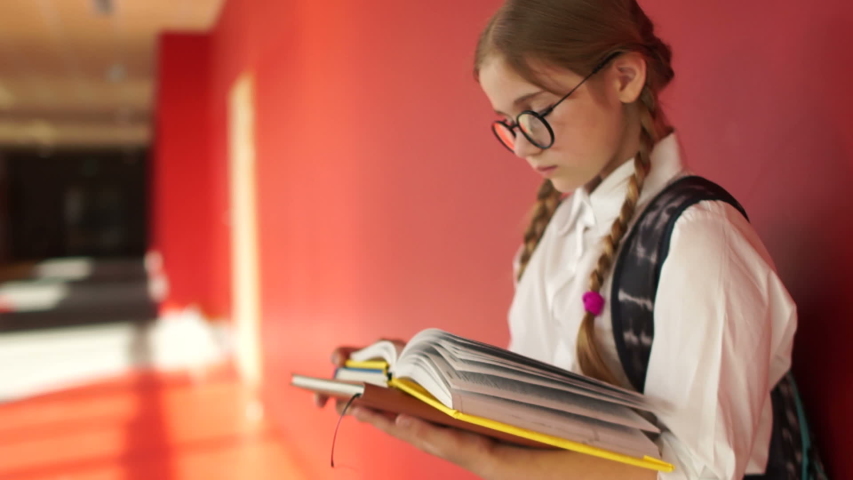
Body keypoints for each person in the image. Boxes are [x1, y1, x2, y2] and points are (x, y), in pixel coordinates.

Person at [316, 0, 798, 478]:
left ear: (625, 78)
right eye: (508, 122)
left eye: (537, 111)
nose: (523, 146)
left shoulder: (699, 240)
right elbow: (538, 406)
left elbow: (701, 471)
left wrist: (495, 462)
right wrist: (421, 381)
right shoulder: (557, 230)